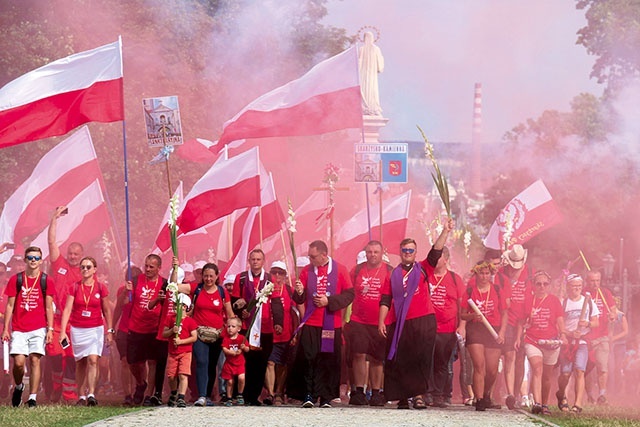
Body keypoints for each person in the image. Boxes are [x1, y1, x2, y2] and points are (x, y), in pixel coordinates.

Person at [378, 218, 453, 410]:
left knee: (421, 359)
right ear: (401, 253)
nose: (407, 253)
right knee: (401, 360)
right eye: (405, 250)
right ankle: (403, 396)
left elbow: (435, 252)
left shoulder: (423, 268)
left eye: (411, 250)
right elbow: (386, 299)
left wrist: (445, 231)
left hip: (423, 321)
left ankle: (419, 396)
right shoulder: (392, 274)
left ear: (415, 252)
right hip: (400, 323)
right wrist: (381, 322)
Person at [291, 240, 354, 408]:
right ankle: (308, 394)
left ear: (324, 255)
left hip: (331, 323)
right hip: (311, 322)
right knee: (309, 358)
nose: (310, 260)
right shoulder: (307, 271)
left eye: (313, 257)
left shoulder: (340, 269)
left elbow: (349, 295)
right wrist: (299, 292)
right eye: (309, 256)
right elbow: (299, 298)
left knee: (328, 360)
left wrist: (329, 301)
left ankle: (326, 396)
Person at [2, 246, 55, 407]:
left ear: (41, 261)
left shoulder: (46, 280)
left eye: (37, 258)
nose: (33, 260)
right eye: (30, 257)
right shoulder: (16, 279)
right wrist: (6, 329)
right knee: (18, 363)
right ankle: (19, 387)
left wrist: (50, 329)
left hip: (38, 327)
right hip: (18, 328)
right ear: (25, 260)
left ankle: (32, 397)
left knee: (35, 360)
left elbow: (48, 307)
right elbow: (10, 306)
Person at [59, 256, 113, 406]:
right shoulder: (74, 287)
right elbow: (68, 309)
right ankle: (81, 395)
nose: (85, 269)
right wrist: (63, 331)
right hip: (78, 329)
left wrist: (110, 330)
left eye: (88, 267)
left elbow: (107, 310)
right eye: (82, 267)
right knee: (80, 362)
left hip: (96, 328)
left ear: (94, 270)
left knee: (93, 360)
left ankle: (91, 394)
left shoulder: (101, 287)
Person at [177, 262, 234, 406]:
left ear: (217, 277)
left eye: (211, 276)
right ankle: (201, 395)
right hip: (199, 334)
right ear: (202, 276)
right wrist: (175, 268)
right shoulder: (196, 288)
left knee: (212, 365)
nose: (208, 279)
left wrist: (233, 330)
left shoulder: (222, 292)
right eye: (205, 276)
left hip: (217, 335)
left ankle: (207, 395)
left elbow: (229, 313)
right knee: (202, 362)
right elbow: (174, 286)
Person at [346, 241, 390, 407]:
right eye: (369, 252)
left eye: (376, 252)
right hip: (359, 320)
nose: (372, 255)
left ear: (381, 253)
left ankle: (377, 392)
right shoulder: (357, 270)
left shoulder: (389, 271)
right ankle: (359, 391)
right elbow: (347, 292)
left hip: (380, 322)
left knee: (377, 357)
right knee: (358, 354)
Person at [460, 261, 508, 411]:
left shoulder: (497, 290)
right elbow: (462, 314)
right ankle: (479, 399)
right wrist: (472, 315)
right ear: (476, 274)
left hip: (493, 329)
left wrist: (502, 332)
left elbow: (505, 313)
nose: (484, 276)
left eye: (487, 273)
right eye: (481, 273)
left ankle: (487, 394)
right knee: (479, 365)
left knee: (492, 369)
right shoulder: (469, 291)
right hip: (476, 329)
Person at [47, 206, 84, 403]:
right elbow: (51, 242)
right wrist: (54, 218)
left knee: (70, 357)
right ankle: (55, 387)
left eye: (76, 254)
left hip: (74, 324)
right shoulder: (59, 265)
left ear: (82, 255)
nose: (72, 256)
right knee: (54, 354)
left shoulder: (85, 272)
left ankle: (69, 394)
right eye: (70, 252)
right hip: (57, 320)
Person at [231, 249, 273, 406]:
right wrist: (241, 310)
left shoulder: (269, 279)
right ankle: (242, 394)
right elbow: (235, 300)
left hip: (265, 328)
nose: (255, 262)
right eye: (253, 259)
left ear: (263, 261)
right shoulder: (241, 278)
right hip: (246, 327)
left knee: (261, 363)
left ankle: (254, 396)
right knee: (244, 361)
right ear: (249, 261)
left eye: (258, 259)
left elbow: (274, 302)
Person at [125, 254, 168, 405]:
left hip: (154, 329)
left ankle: (149, 395)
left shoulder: (164, 283)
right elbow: (125, 302)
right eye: (146, 266)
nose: (148, 269)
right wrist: (127, 291)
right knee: (133, 362)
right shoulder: (137, 280)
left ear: (158, 268)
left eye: (151, 267)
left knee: (152, 363)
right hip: (136, 327)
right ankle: (140, 383)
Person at [520, 270, 565, 415]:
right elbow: (521, 322)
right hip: (532, 340)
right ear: (533, 285)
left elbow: (559, 319)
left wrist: (563, 334)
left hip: (550, 341)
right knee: (537, 368)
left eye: (545, 284)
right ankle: (537, 403)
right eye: (538, 284)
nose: (542, 286)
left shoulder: (554, 300)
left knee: (547, 376)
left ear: (549, 285)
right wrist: (527, 320)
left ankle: (545, 404)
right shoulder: (528, 300)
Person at [428, 245, 465, 408]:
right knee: (426, 362)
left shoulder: (455, 279)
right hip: (427, 328)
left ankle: (439, 395)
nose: (435, 260)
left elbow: (462, 305)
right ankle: (426, 393)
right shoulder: (425, 276)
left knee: (443, 363)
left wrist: (462, 325)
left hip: (448, 329)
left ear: (446, 260)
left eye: (439, 257)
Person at [557, 274, 599, 413]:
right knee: (565, 374)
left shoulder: (588, 302)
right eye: (574, 286)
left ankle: (577, 404)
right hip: (567, 342)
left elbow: (596, 322)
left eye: (579, 286)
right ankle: (561, 395)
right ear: (568, 287)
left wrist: (587, 323)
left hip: (582, 342)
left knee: (580, 370)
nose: (576, 288)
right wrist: (568, 334)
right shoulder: (563, 303)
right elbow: (558, 324)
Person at [499, 244, 532, 410]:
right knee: (510, 357)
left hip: (524, 321)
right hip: (507, 321)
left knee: (521, 359)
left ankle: (518, 392)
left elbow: (531, 297)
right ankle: (510, 393)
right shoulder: (501, 273)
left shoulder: (528, 274)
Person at [583, 270, 616, 405]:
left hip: (602, 336)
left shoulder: (605, 293)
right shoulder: (583, 293)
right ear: (587, 281)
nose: (595, 283)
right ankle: (590, 395)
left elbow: (613, 309)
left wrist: (613, 315)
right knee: (586, 369)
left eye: (597, 280)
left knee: (602, 366)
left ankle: (602, 395)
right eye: (592, 280)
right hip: (587, 337)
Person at [264, 261, 294, 406]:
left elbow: (295, 314)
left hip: (285, 333)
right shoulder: (265, 289)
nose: (277, 275)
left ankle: (279, 392)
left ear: (285, 275)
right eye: (274, 272)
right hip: (268, 332)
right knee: (269, 362)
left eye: (280, 273)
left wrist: (296, 334)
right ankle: (270, 393)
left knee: (282, 364)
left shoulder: (289, 290)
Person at [113, 266, 142, 406]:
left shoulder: (143, 291)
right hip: (124, 330)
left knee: (138, 363)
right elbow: (118, 309)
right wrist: (112, 327)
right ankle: (127, 395)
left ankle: (141, 385)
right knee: (124, 361)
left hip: (139, 330)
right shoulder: (123, 291)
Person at [163, 294, 198, 408]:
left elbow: (194, 337)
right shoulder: (170, 318)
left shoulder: (190, 321)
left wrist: (181, 342)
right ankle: (173, 393)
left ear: (184, 306)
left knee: (183, 375)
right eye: (173, 304)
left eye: (176, 305)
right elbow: (164, 333)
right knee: (171, 376)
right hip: (172, 352)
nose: (174, 307)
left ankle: (181, 397)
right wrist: (172, 331)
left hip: (185, 352)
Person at [221, 317, 249, 406]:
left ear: (238, 329)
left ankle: (240, 394)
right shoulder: (226, 339)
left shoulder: (242, 338)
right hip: (229, 363)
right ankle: (229, 397)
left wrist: (244, 348)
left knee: (241, 378)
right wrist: (231, 352)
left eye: (233, 326)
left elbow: (248, 349)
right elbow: (224, 349)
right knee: (229, 382)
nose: (230, 328)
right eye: (228, 326)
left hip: (239, 363)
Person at [358, 30, 384, 115]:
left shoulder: (362, 49)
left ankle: (366, 106)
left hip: (364, 75)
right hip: (371, 75)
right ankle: (371, 107)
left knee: (366, 89)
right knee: (372, 90)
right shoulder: (376, 49)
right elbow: (380, 65)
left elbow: (358, 63)